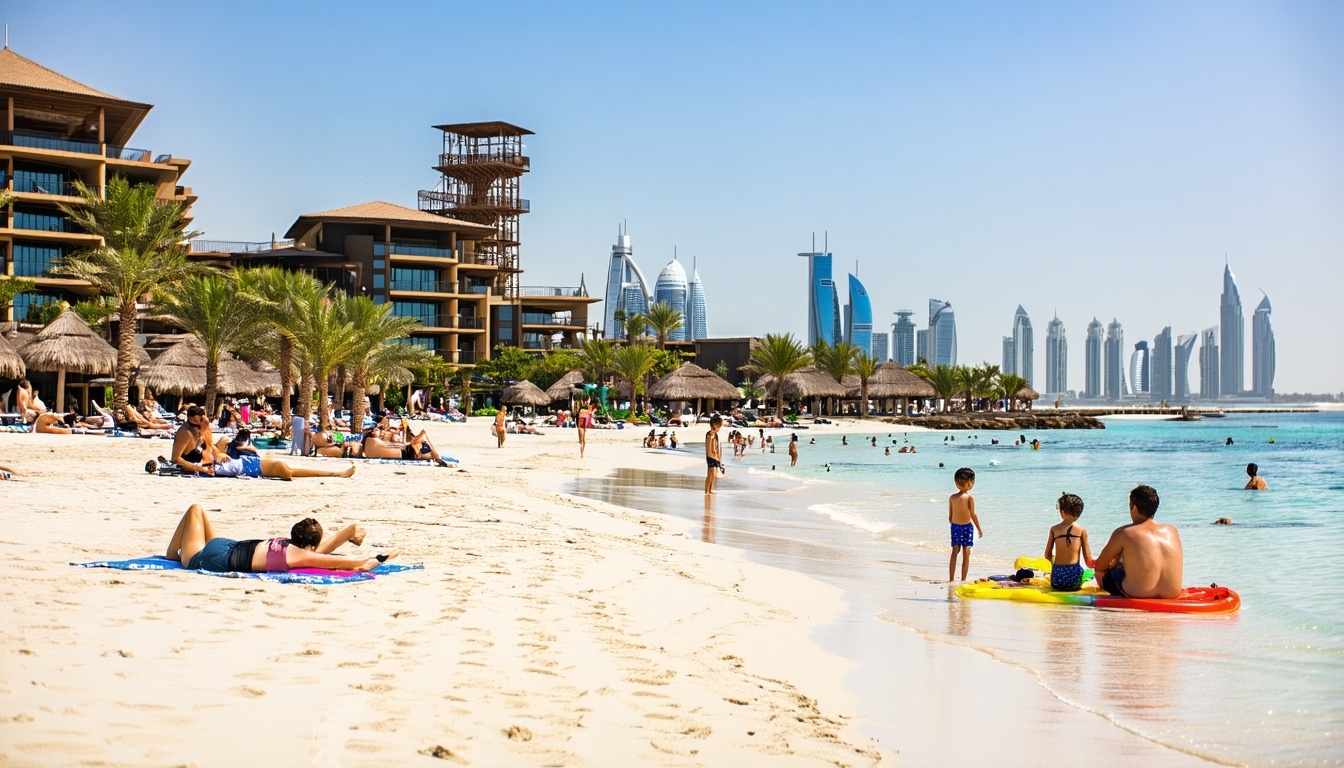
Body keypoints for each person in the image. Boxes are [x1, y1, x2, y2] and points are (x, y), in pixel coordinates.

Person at [164, 504, 393, 573]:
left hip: (227, 544)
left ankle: (175, 551)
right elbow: (334, 562)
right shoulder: (299, 555)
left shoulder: (287, 544)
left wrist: (351, 530)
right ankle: (172, 555)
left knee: (198, 511)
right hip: (212, 558)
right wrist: (370, 560)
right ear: (311, 546)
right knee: (195, 511)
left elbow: (323, 550)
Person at [1093, 485, 1183, 599]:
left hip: (1138, 593)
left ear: (1134, 508)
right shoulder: (1172, 530)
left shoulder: (1124, 532)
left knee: (1104, 573)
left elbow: (1100, 565)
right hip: (1172, 593)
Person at [1044, 493, 1094, 592]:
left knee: (1056, 568)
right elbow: (1088, 561)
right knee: (1089, 573)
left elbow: (1047, 554)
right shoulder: (1082, 530)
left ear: (1062, 512)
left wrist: (1055, 564)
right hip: (1073, 580)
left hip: (1057, 579)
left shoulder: (1054, 529)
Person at [948, 467, 983, 582]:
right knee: (966, 553)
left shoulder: (952, 497)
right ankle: (963, 579)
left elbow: (950, 516)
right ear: (971, 483)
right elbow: (973, 514)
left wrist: (954, 525)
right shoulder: (969, 497)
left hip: (955, 526)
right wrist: (979, 529)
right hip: (967, 527)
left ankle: (952, 579)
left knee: (955, 551)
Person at [705, 414, 723, 495]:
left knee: (714, 475)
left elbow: (717, 446)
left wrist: (719, 455)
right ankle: (707, 490)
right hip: (711, 456)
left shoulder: (715, 435)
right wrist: (714, 456)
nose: (719, 428)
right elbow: (709, 449)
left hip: (715, 456)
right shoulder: (710, 435)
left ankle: (710, 489)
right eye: (718, 426)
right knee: (710, 474)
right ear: (714, 424)